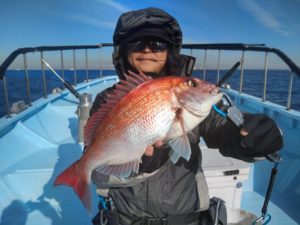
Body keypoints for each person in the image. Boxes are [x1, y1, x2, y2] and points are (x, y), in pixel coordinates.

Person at [88, 7, 283, 225]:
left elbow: (221, 126)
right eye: (137, 43)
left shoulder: (193, 99)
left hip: (185, 218)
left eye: (158, 44)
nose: (147, 50)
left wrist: (252, 138)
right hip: (124, 218)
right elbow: (97, 169)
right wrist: (143, 166)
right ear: (123, 50)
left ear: (170, 51)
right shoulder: (107, 100)